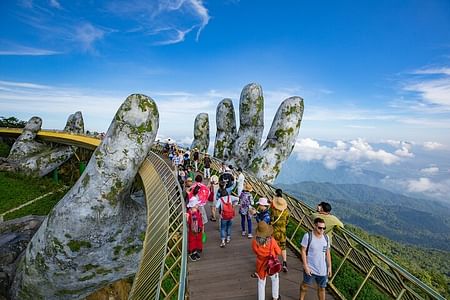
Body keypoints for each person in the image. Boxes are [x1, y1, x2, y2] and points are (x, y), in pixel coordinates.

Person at [300, 217, 332, 300]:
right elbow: (303, 251)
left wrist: (329, 267)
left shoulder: (326, 238)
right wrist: (305, 266)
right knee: (305, 285)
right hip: (310, 267)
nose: (322, 230)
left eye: (324, 228)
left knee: (322, 288)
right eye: (320, 227)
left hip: (322, 269)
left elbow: (327, 252)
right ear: (314, 226)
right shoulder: (308, 236)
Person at [252, 221, 281, 300]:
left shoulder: (255, 242)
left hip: (261, 265)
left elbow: (255, 251)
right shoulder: (272, 241)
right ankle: (275, 297)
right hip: (271, 264)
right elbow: (279, 251)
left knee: (261, 283)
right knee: (275, 279)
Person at [271, 188, 290, 272]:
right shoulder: (286, 211)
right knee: (283, 247)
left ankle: (275, 262)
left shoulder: (273, 211)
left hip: (274, 231)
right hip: (283, 232)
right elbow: (287, 222)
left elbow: (271, 221)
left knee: (274, 247)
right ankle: (285, 262)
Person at [186, 190, 204, 261]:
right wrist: (187, 217)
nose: (198, 205)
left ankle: (195, 251)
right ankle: (191, 253)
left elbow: (200, 220)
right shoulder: (190, 212)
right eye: (196, 204)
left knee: (197, 240)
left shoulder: (197, 212)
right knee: (192, 241)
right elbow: (188, 221)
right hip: (193, 230)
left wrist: (202, 227)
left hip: (198, 229)